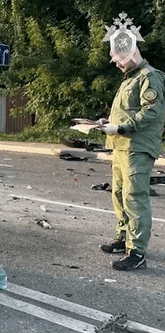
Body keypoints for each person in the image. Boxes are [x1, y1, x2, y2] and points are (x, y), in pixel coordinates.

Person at [98, 13, 165, 271]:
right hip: (121, 146)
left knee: (135, 197)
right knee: (118, 194)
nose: (114, 61)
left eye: (117, 55)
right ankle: (124, 237)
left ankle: (137, 253)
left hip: (137, 147)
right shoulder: (130, 79)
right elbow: (127, 110)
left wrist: (123, 127)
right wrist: (107, 124)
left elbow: (151, 112)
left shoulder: (150, 76)